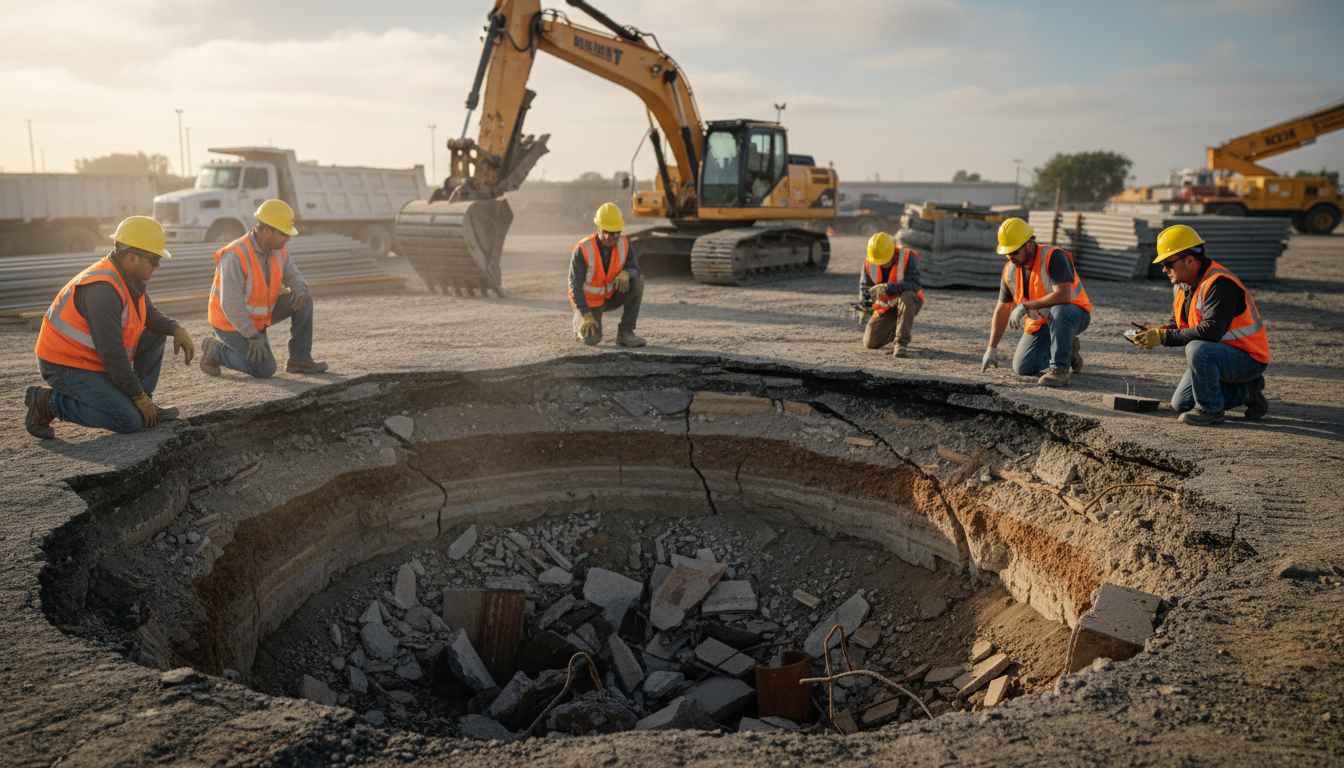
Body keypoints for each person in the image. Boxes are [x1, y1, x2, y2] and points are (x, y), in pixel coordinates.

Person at [25, 216, 195, 438]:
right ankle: (47, 403)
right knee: (128, 420)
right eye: (154, 260)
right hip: (65, 366)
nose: (158, 265)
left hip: (90, 359)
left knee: (155, 333)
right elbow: (112, 354)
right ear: (132, 257)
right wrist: (137, 396)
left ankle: (144, 405)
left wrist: (176, 328)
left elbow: (149, 315)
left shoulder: (129, 278)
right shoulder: (102, 289)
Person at [1132, 224, 1270, 426]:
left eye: (1168, 263)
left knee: (1197, 349)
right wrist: (1156, 331)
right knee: (1181, 404)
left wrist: (1163, 338)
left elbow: (1211, 331)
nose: (1164, 269)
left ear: (1189, 260)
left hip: (1248, 359)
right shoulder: (1184, 285)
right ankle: (1247, 391)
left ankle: (1210, 411)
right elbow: (1179, 324)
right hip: (1219, 355)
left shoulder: (1220, 284)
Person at [198, 199, 328, 378]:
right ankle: (215, 350)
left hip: (259, 318)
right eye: (284, 234)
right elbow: (230, 304)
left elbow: (293, 275)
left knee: (304, 299)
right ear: (267, 231)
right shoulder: (235, 255)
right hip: (230, 323)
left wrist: (299, 287)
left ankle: (300, 360)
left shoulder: (278, 249)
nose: (288, 238)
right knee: (264, 369)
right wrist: (252, 335)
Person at [981, 217, 1091, 387]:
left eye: (1014, 252)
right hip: (1042, 323)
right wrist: (992, 348)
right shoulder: (1009, 271)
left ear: (1029, 245)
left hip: (1073, 314)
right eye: (1007, 253)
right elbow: (1002, 308)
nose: (1010, 257)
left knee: (1060, 311)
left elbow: (1064, 296)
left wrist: (1026, 306)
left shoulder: (1053, 256)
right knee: (1023, 367)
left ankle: (1059, 371)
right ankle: (1068, 349)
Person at [569, 202, 646, 347]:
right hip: (590, 303)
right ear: (598, 228)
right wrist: (585, 314)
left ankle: (626, 333)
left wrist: (627, 272)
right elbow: (575, 286)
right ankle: (579, 323)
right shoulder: (583, 249)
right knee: (592, 339)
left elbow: (636, 269)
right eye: (608, 232)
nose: (613, 237)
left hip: (612, 296)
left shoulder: (624, 244)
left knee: (637, 281)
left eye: (617, 233)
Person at [859, 231, 925, 357]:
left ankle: (901, 344)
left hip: (909, 301)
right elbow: (865, 289)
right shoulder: (869, 262)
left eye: (884, 261)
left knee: (907, 296)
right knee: (870, 343)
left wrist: (888, 288)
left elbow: (915, 285)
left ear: (893, 251)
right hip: (887, 306)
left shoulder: (907, 257)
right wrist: (865, 306)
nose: (881, 264)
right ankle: (895, 329)